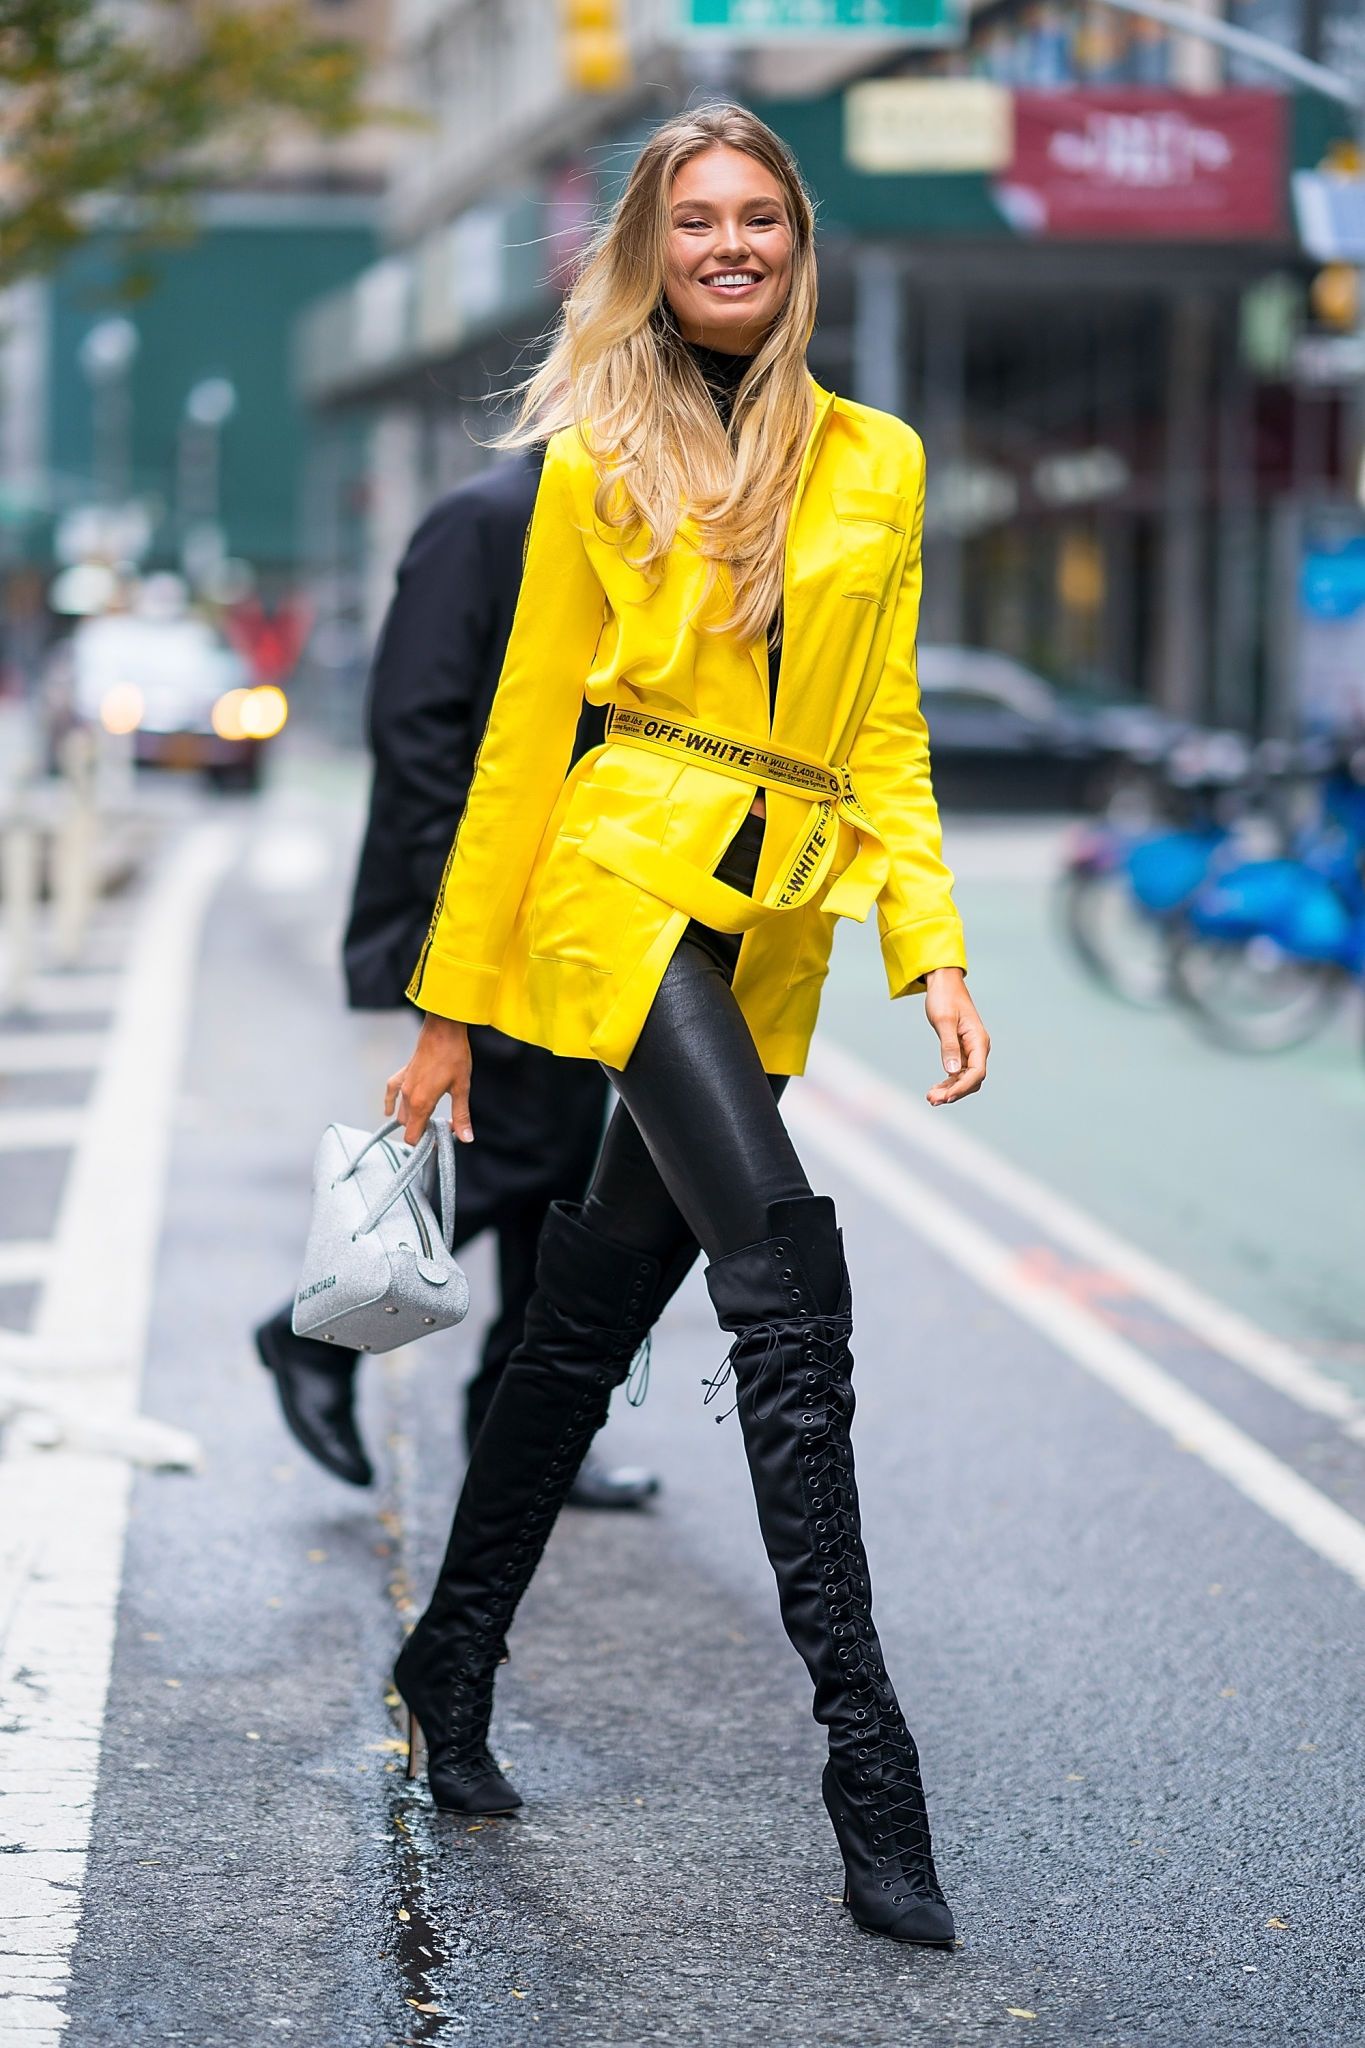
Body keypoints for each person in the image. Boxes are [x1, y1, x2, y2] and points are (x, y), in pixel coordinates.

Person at [384, 103, 990, 1947]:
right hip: (625, 883)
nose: (730, 245)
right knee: (787, 1279)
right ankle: (871, 1769)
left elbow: (881, 731)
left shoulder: (878, 459)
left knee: (584, 1319)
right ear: (654, 250)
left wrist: (934, 942)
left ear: (799, 246)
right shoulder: (595, 461)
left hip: (779, 917)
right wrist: (448, 1011)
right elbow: (515, 748)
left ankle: (449, 1654)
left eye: (759, 220)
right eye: (696, 220)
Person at [254, 454, 664, 1509]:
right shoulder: (484, 520)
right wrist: (466, 917)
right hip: (484, 912)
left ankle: (519, 1433)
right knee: (528, 1150)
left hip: (582, 909)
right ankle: (315, 1333)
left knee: (566, 1171)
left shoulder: (629, 527)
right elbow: (416, 725)